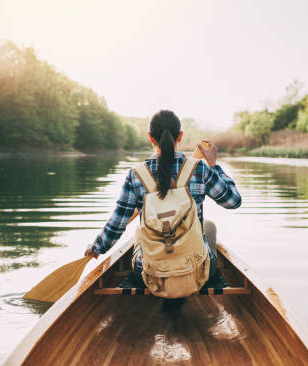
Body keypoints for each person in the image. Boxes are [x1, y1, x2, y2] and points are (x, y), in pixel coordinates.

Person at [84, 110, 242, 296]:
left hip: (149, 274)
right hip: (198, 272)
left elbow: (116, 225)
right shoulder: (199, 168)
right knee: (209, 226)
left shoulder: (135, 175)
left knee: (138, 230)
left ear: (151, 138)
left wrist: (96, 248)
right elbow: (233, 201)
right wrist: (214, 165)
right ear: (180, 136)